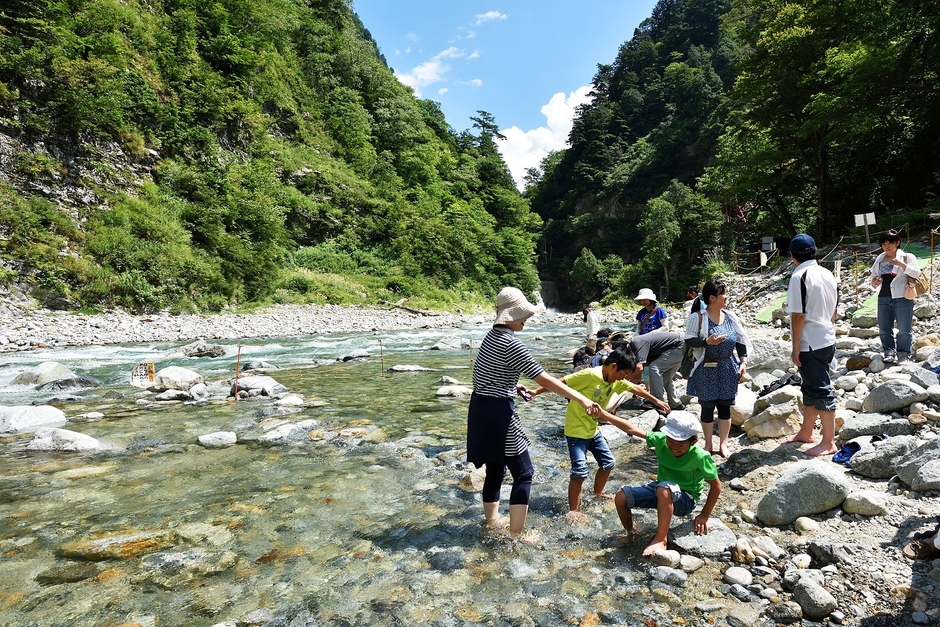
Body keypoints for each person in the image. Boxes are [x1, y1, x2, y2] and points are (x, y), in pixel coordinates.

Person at [467, 287, 602, 539]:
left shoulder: (491, 337)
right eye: (522, 315)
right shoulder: (512, 343)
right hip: (500, 413)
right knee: (524, 473)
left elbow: (484, 375)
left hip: (480, 410)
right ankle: (516, 537)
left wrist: (512, 384)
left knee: (495, 468)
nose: (526, 319)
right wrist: (582, 398)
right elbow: (545, 379)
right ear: (511, 315)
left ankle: (492, 523)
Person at [531, 348, 670, 517]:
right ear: (613, 366)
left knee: (608, 463)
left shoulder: (615, 380)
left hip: (593, 430)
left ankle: (597, 493)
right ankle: (573, 511)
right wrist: (535, 392)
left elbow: (635, 388)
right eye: (623, 374)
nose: (623, 378)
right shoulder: (590, 375)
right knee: (579, 471)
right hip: (576, 431)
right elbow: (560, 382)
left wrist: (656, 401)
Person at [605, 411, 721, 557]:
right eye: (670, 440)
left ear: (693, 442)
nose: (674, 446)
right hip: (662, 491)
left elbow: (716, 486)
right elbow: (631, 429)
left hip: (686, 500)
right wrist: (604, 414)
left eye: (680, 443)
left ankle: (661, 539)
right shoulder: (661, 440)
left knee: (664, 488)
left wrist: (704, 514)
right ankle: (631, 534)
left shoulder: (700, 456)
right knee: (621, 496)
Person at [782, 234, 839, 457]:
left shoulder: (799, 276)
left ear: (792, 255)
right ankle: (806, 432)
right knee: (809, 386)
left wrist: (795, 346)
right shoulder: (827, 273)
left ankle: (828, 442)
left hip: (810, 342)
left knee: (820, 389)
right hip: (826, 338)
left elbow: (798, 315)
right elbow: (834, 310)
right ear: (815, 251)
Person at [683, 279, 752, 457]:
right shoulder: (697, 317)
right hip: (706, 367)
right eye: (723, 294)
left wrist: (743, 362)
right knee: (707, 407)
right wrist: (707, 342)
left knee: (725, 407)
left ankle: (723, 444)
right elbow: (689, 340)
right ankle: (708, 444)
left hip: (728, 366)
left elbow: (740, 340)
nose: (727, 297)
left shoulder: (730, 317)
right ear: (712, 298)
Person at [870, 229, 920, 364]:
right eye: (884, 244)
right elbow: (873, 277)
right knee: (884, 328)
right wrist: (875, 281)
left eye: (890, 243)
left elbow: (916, 273)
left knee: (904, 328)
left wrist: (902, 265)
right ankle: (889, 352)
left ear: (897, 243)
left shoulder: (907, 257)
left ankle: (903, 354)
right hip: (883, 296)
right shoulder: (880, 258)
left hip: (902, 296)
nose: (887, 246)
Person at [619, 330, 686, 410]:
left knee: (654, 368)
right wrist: (624, 385)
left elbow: (639, 368)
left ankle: (657, 401)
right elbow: (638, 376)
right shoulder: (639, 352)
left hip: (678, 345)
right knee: (666, 377)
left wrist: (621, 380)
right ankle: (676, 403)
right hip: (680, 347)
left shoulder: (636, 343)